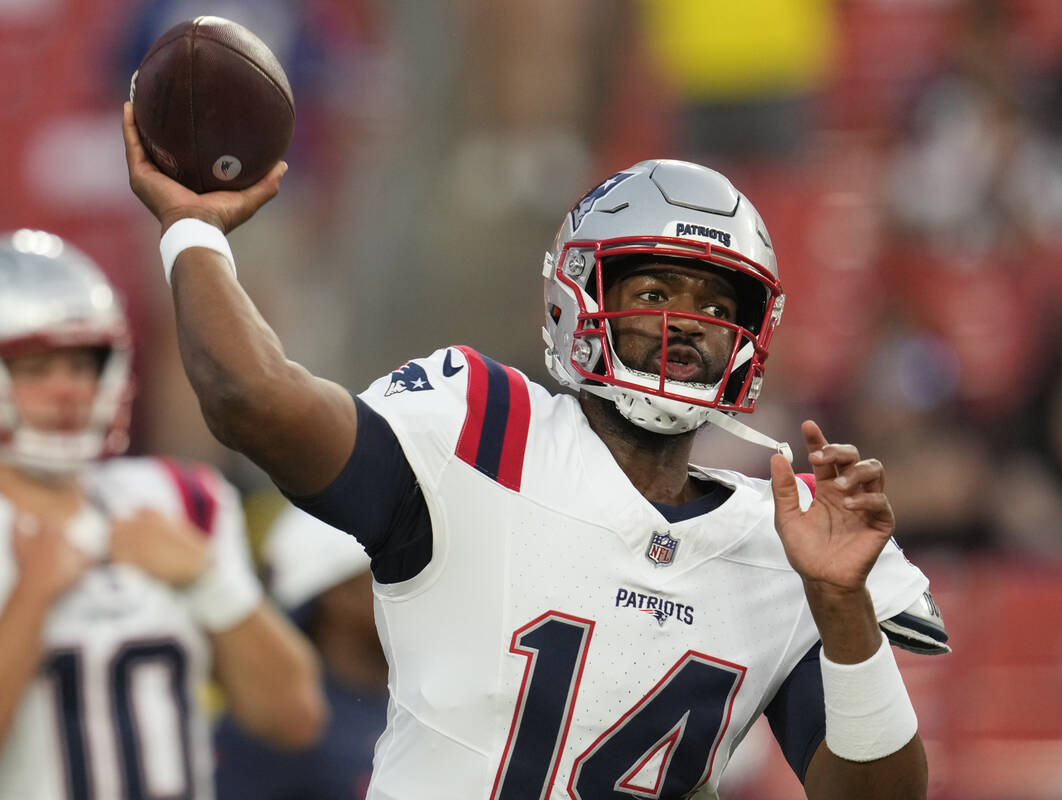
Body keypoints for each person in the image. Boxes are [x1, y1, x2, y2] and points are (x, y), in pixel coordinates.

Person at [123, 100, 950, 799]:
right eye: (654, 291)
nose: (686, 320)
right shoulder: (481, 427)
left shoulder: (785, 544)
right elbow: (252, 399)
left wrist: (844, 612)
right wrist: (193, 233)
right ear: (578, 299)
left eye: (711, 301)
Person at [0, 228, 327, 799]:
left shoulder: (178, 500)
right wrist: (32, 596)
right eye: (35, 369)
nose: (68, 392)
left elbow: (294, 718)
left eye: (82, 365)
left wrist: (209, 580)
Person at [214, 504, 386, 799]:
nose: (412, 588)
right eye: (391, 572)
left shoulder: (418, 695)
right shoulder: (272, 726)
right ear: (338, 594)